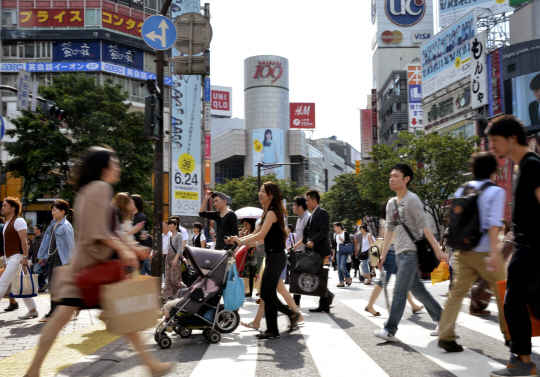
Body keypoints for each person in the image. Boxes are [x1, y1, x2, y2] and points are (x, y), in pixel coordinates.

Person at [24, 146, 174, 377]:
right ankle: (33, 370)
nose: (117, 166)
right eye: (113, 162)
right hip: (93, 271)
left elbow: (103, 231)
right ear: (103, 167)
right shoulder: (101, 187)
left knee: (117, 318)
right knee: (118, 317)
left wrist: (128, 248)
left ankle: (151, 365)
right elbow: (98, 231)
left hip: (84, 268)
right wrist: (123, 250)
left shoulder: (86, 190)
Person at [438, 152, 509, 352]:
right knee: (503, 293)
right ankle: (510, 335)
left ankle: (446, 335)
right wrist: (495, 253)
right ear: (494, 171)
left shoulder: (463, 189)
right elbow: (494, 224)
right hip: (485, 251)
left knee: (456, 293)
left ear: (472, 169)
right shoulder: (496, 191)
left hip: (463, 250)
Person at [487, 115, 540, 376]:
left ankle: (523, 362)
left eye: (494, 141)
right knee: (534, 306)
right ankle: (521, 357)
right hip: (528, 247)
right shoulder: (522, 167)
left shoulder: (531, 165)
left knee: (513, 305)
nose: (491, 147)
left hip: (532, 249)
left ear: (511, 139)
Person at [373, 164, 447, 342]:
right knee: (418, 291)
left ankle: (389, 330)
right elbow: (389, 229)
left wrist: (437, 249)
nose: (392, 179)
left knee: (399, 290)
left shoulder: (413, 200)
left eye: (396, 176)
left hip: (411, 252)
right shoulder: (391, 203)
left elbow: (424, 225)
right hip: (399, 252)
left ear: (406, 179)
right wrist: (383, 255)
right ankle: (444, 320)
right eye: (391, 176)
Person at [228, 182, 300, 339]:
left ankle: (276, 326)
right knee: (267, 294)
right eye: (259, 191)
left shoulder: (273, 213)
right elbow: (257, 234)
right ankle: (285, 319)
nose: (260, 194)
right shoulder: (267, 213)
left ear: (271, 195)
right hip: (272, 256)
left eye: (263, 192)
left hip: (276, 257)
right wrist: (239, 239)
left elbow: (260, 236)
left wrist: (241, 241)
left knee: (267, 293)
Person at [364, 200, 424, 317]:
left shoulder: (385, 220)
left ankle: (413, 305)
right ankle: (370, 305)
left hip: (393, 253)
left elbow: (380, 238)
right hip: (392, 254)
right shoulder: (392, 220)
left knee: (402, 280)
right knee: (387, 281)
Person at [37, 200, 75, 323]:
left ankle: (52, 314)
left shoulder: (66, 226)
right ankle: (66, 309)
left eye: (55, 210)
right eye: (52, 210)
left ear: (63, 211)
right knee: (55, 286)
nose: (52, 212)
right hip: (53, 258)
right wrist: (42, 255)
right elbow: (47, 240)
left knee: (54, 286)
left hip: (62, 259)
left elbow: (71, 245)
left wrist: (71, 262)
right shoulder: (53, 223)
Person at [0, 198, 38, 318]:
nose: (2, 207)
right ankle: (33, 310)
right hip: (10, 258)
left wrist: (25, 257)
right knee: (21, 284)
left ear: (13, 208)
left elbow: (24, 241)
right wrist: (6, 260)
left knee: (3, 282)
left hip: (17, 257)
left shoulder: (19, 221)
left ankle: (32, 310)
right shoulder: (7, 222)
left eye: (5, 205)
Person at [303, 190, 335, 313]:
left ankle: (327, 297)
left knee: (316, 275)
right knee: (317, 275)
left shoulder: (322, 213)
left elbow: (324, 230)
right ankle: (325, 302)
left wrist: (313, 241)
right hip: (315, 250)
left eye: (308, 200)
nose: (306, 203)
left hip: (320, 250)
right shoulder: (312, 215)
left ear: (314, 200)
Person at [162, 219, 186, 301]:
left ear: (176, 226)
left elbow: (180, 249)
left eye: (170, 224)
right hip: (168, 259)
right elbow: (168, 249)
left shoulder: (179, 235)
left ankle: (185, 290)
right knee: (168, 279)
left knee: (174, 279)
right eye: (168, 224)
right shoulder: (169, 237)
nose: (169, 226)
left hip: (175, 259)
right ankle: (168, 297)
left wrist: (176, 260)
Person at [239, 218, 258, 297]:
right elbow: (240, 238)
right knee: (247, 273)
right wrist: (243, 230)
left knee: (256, 273)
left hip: (255, 254)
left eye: (246, 224)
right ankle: (247, 291)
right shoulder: (247, 232)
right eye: (244, 224)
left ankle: (258, 290)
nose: (245, 226)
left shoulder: (255, 231)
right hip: (247, 254)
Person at [332, 222, 351, 287]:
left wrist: (343, 241)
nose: (334, 228)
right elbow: (334, 246)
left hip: (344, 251)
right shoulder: (336, 235)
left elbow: (349, 242)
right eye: (334, 227)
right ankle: (341, 282)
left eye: (335, 227)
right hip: (338, 252)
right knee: (339, 269)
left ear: (340, 226)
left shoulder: (345, 233)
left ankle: (348, 277)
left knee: (342, 267)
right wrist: (333, 255)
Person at [28, 224, 47, 292]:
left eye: (35, 229)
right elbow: (31, 249)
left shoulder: (44, 238)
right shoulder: (34, 238)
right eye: (34, 229)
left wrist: (45, 257)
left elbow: (46, 248)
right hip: (35, 259)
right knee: (35, 271)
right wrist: (27, 256)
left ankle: (41, 285)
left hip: (41, 259)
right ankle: (43, 284)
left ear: (39, 230)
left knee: (36, 271)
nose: (34, 230)